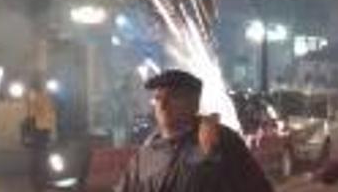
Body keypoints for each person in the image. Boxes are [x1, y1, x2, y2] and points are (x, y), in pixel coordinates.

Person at [114, 69, 273, 192]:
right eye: (158, 98)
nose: (163, 105)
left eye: (173, 97)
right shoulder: (146, 153)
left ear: (194, 103)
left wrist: (211, 155)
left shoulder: (220, 140)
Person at [23, 74, 57, 191]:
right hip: (39, 128)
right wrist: (30, 130)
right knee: (39, 155)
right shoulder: (35, 94)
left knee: (42, 155)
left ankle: (42, 180)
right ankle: (39, 181)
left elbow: (49, 113)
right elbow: (31, 113)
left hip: (43, 128)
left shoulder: (44, 95)